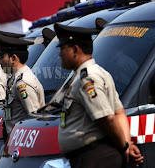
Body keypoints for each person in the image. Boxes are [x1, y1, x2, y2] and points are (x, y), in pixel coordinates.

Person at [53, 23, 144, 168]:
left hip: (94, 157)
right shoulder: (97, 73)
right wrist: (127, 145)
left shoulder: (87, 79)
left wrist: (125, 147)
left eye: (63, 49)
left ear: (75, 49)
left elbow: (107, 118)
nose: (60, 54)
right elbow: (119, 112)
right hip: (95, 156)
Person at [0, 32, 45, 135]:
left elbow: (34, 119)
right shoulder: (14, 79)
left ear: (13, 58)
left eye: (2, 57)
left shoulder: (23, 83)